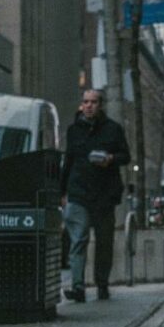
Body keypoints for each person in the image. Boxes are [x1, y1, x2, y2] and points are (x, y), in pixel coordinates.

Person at [60, 89, 130, 302]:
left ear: (101, 105)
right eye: (85, 102)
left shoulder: (113, 130)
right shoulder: (74, 130)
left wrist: (110, 158)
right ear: (82, 105)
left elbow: (125, 156)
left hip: (104, 194)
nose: (89, 106)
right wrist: (61, 191)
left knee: (104, 242)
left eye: (93, 102)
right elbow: (68, 161)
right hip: (79, 192)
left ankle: (102, 284)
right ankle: (78, 287)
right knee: (78, 239)